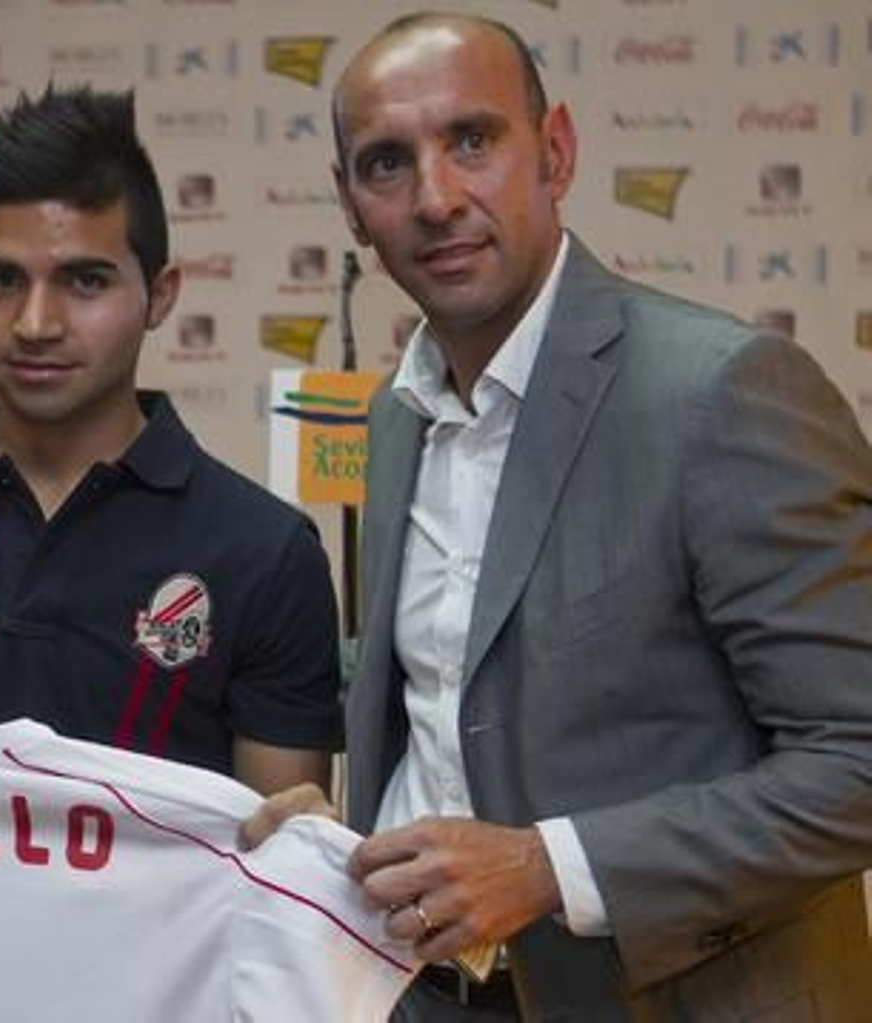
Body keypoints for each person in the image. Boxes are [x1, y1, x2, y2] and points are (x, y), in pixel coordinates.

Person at [242, 11, 872, 1020]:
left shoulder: (720, 393)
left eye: (472, 141)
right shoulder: (396, 416)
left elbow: (856, 759)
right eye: (387, 163)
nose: (436, 197)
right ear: (351, 206)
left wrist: (550, 867)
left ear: (557, 152)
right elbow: (459, 683)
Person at [0, 86, 340, 795]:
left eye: (84, 280)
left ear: (161, 295)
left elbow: (275, 860)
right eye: (0, 279)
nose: (35, 323)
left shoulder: (265, 553)